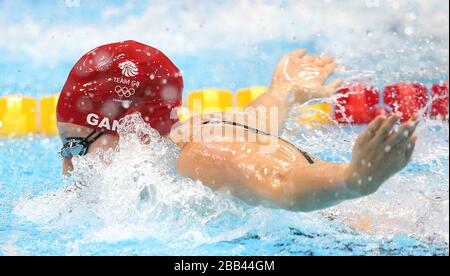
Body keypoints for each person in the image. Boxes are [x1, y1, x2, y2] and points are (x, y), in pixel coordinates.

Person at [57, 41, 419, 212]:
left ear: (133, 128)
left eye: (75, 146)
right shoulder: (193, 132)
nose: (68, 166)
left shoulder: (203, 156)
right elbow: (253, 122)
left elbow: (283, 183)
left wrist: (353, 179)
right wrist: (283, 91)